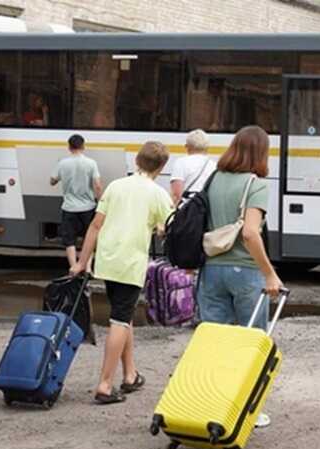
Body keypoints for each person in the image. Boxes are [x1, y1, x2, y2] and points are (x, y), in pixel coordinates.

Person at [70, 141, 173, 404]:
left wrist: (82, 261)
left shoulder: (116, 185)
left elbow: (95, 225)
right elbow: (167, 228)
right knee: (118, 320)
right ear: (161, 167)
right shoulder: (157, 193)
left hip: (107, 260)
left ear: (137, 160)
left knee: (123, 316)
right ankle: (105, 384)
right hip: (130, 262)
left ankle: (130, 375)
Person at [197, 125, 284, 427]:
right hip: (245, 273)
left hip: (212, 269)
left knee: (214, 342)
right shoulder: (255, 184)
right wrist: (269, 273)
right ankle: (248, 410)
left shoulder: (214, 179)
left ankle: (212, 404)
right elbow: (250, 232)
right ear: (261, 152)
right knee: (250, 344)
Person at [50, 134, 102, 269]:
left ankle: (74, 267)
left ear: (69, 147)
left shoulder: (63, 163)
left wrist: (59, 179)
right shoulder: (91, 163)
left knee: (69, 240)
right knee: (89, 238)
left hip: (69, 208)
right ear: (83, 146)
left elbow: (52, 181)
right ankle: (88, 267)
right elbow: (97, 185)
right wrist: (100, 200)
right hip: (88, 207)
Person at [170, 129, 216, 205]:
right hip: (205, 210)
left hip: (187, 210)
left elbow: (176, 194)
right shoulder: (214, 165)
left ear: (187, 146)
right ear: (207, 147)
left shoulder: (181, 162)